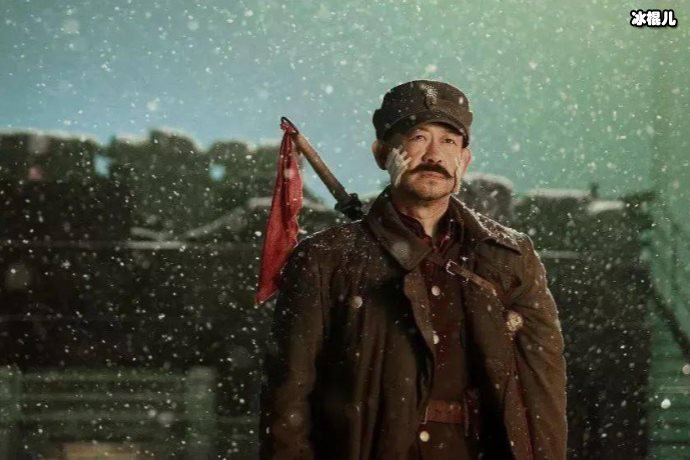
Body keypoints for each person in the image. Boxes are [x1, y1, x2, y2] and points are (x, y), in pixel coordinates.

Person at [259, 80, 567, 459]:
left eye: (449, 141)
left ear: (464, 160)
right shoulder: (325, 259)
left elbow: (543, 388)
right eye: (418, 138)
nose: (434, 155)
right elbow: (288, 398)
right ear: (381, 153)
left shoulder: (509, 257)